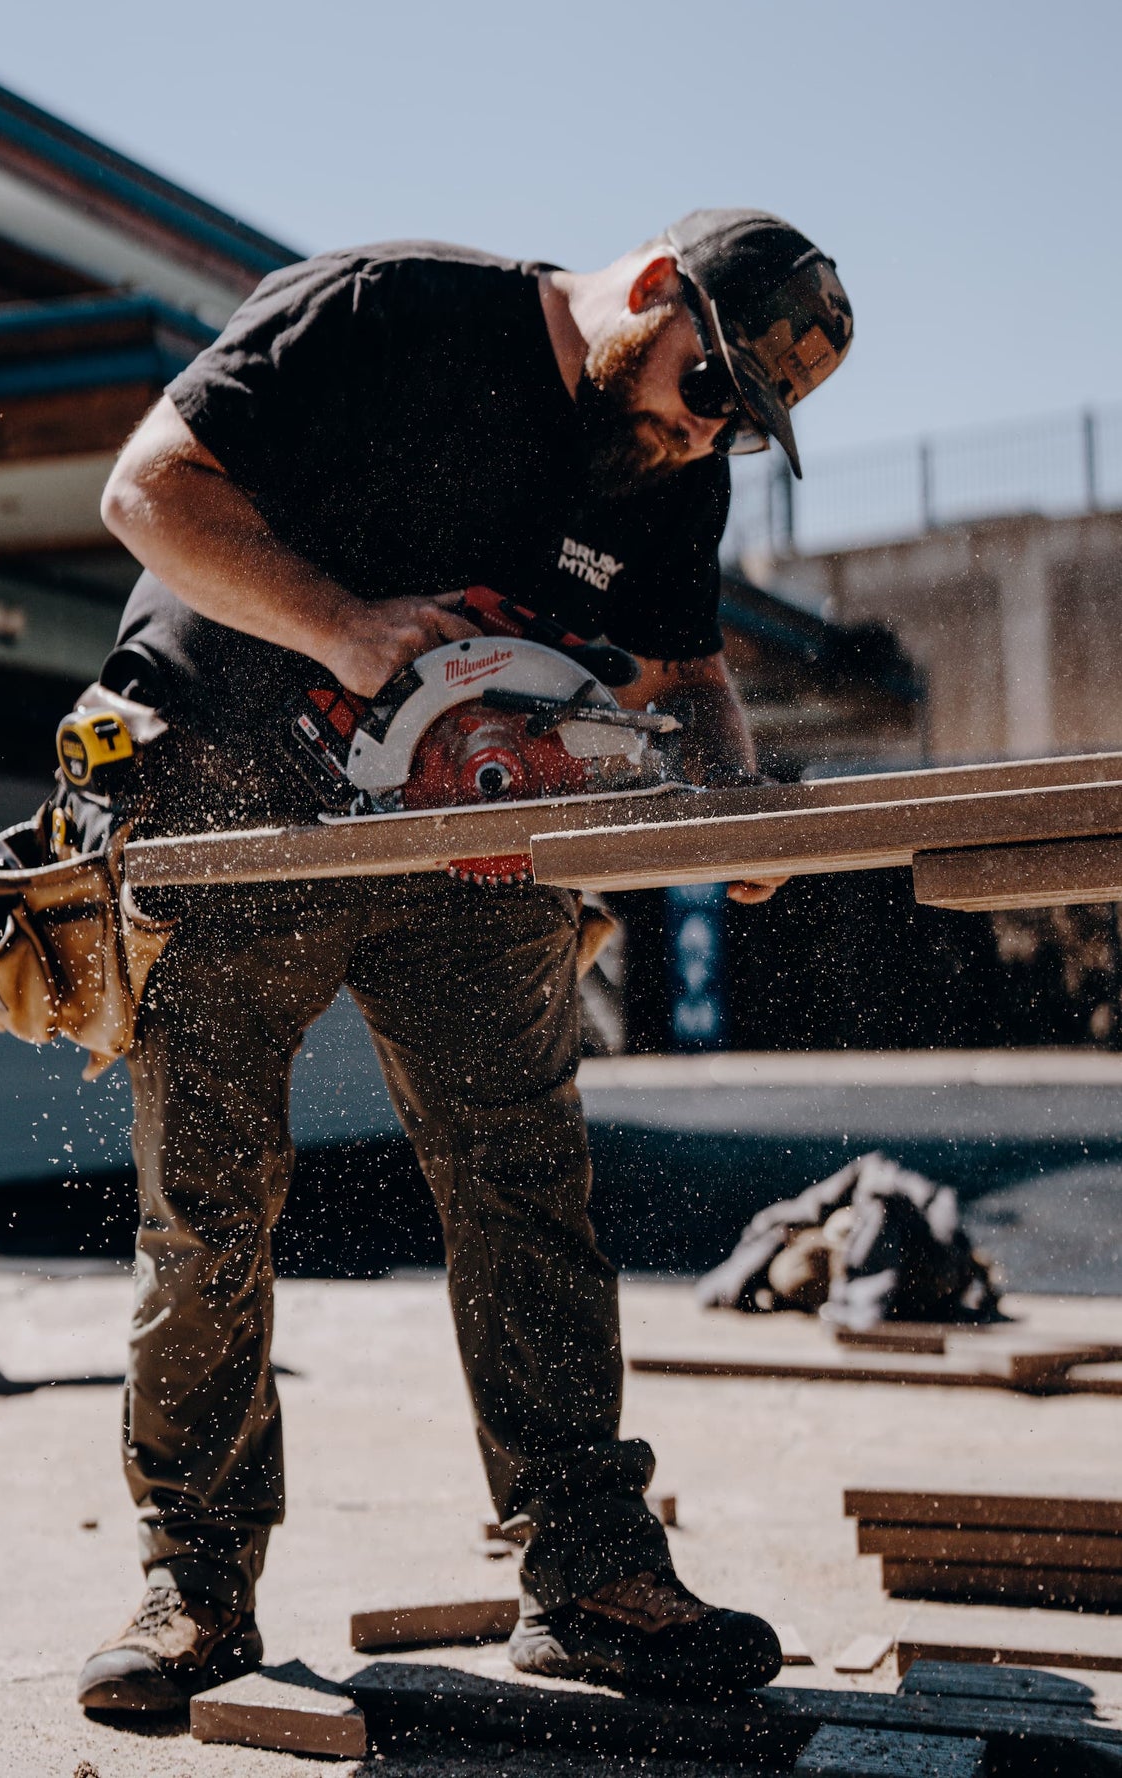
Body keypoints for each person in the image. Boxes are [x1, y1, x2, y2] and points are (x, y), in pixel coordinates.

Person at [77, 210, 853, 1715]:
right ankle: (196, 1577)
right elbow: (146, 491)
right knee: (213, 1192)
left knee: (524, 1177)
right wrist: (353, 632)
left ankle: (587, 1566)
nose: (710, 443)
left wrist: (736, 809)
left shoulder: (670, 464)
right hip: (243, 789)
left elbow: (688, 674)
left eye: (745, 433)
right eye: (709, 394)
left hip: (462, 831)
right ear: (646, 291)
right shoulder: (389, 314)